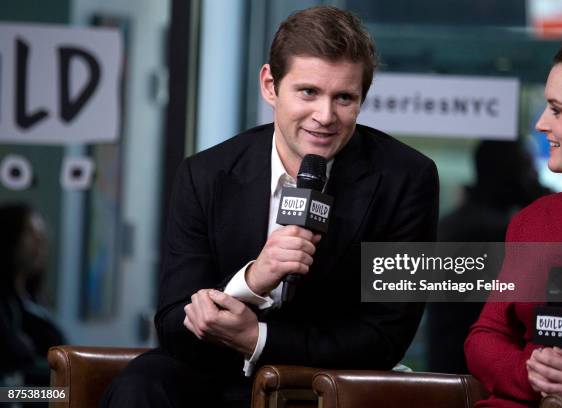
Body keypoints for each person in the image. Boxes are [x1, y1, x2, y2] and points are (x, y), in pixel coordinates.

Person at [101, 6, 438, 407]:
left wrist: (259, 339)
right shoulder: (205, 173)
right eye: (308, 92)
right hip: (214, 370)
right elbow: (174, 324)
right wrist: (252, 281)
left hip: (329, 384)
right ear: (270, 85)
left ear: (362, 98)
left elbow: (388, 336)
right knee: (142, 383)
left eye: (344, 97)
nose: (325, 116)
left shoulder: (408, 178)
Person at [465, 32, 562, 407]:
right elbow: (486, 336)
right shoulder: (535, 221)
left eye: (557, 110)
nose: (541, 124)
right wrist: (530, 373)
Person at [427, 140, 550, 374]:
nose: (534, 176)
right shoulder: (490, 230)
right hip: (469, 369)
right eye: (526, 168)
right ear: (507, 173)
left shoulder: (460, 221)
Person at [0, 203, 66, 387]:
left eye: (41, 234)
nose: (40, 241)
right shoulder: (6, 306)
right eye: (30, 232)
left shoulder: (33, 300)